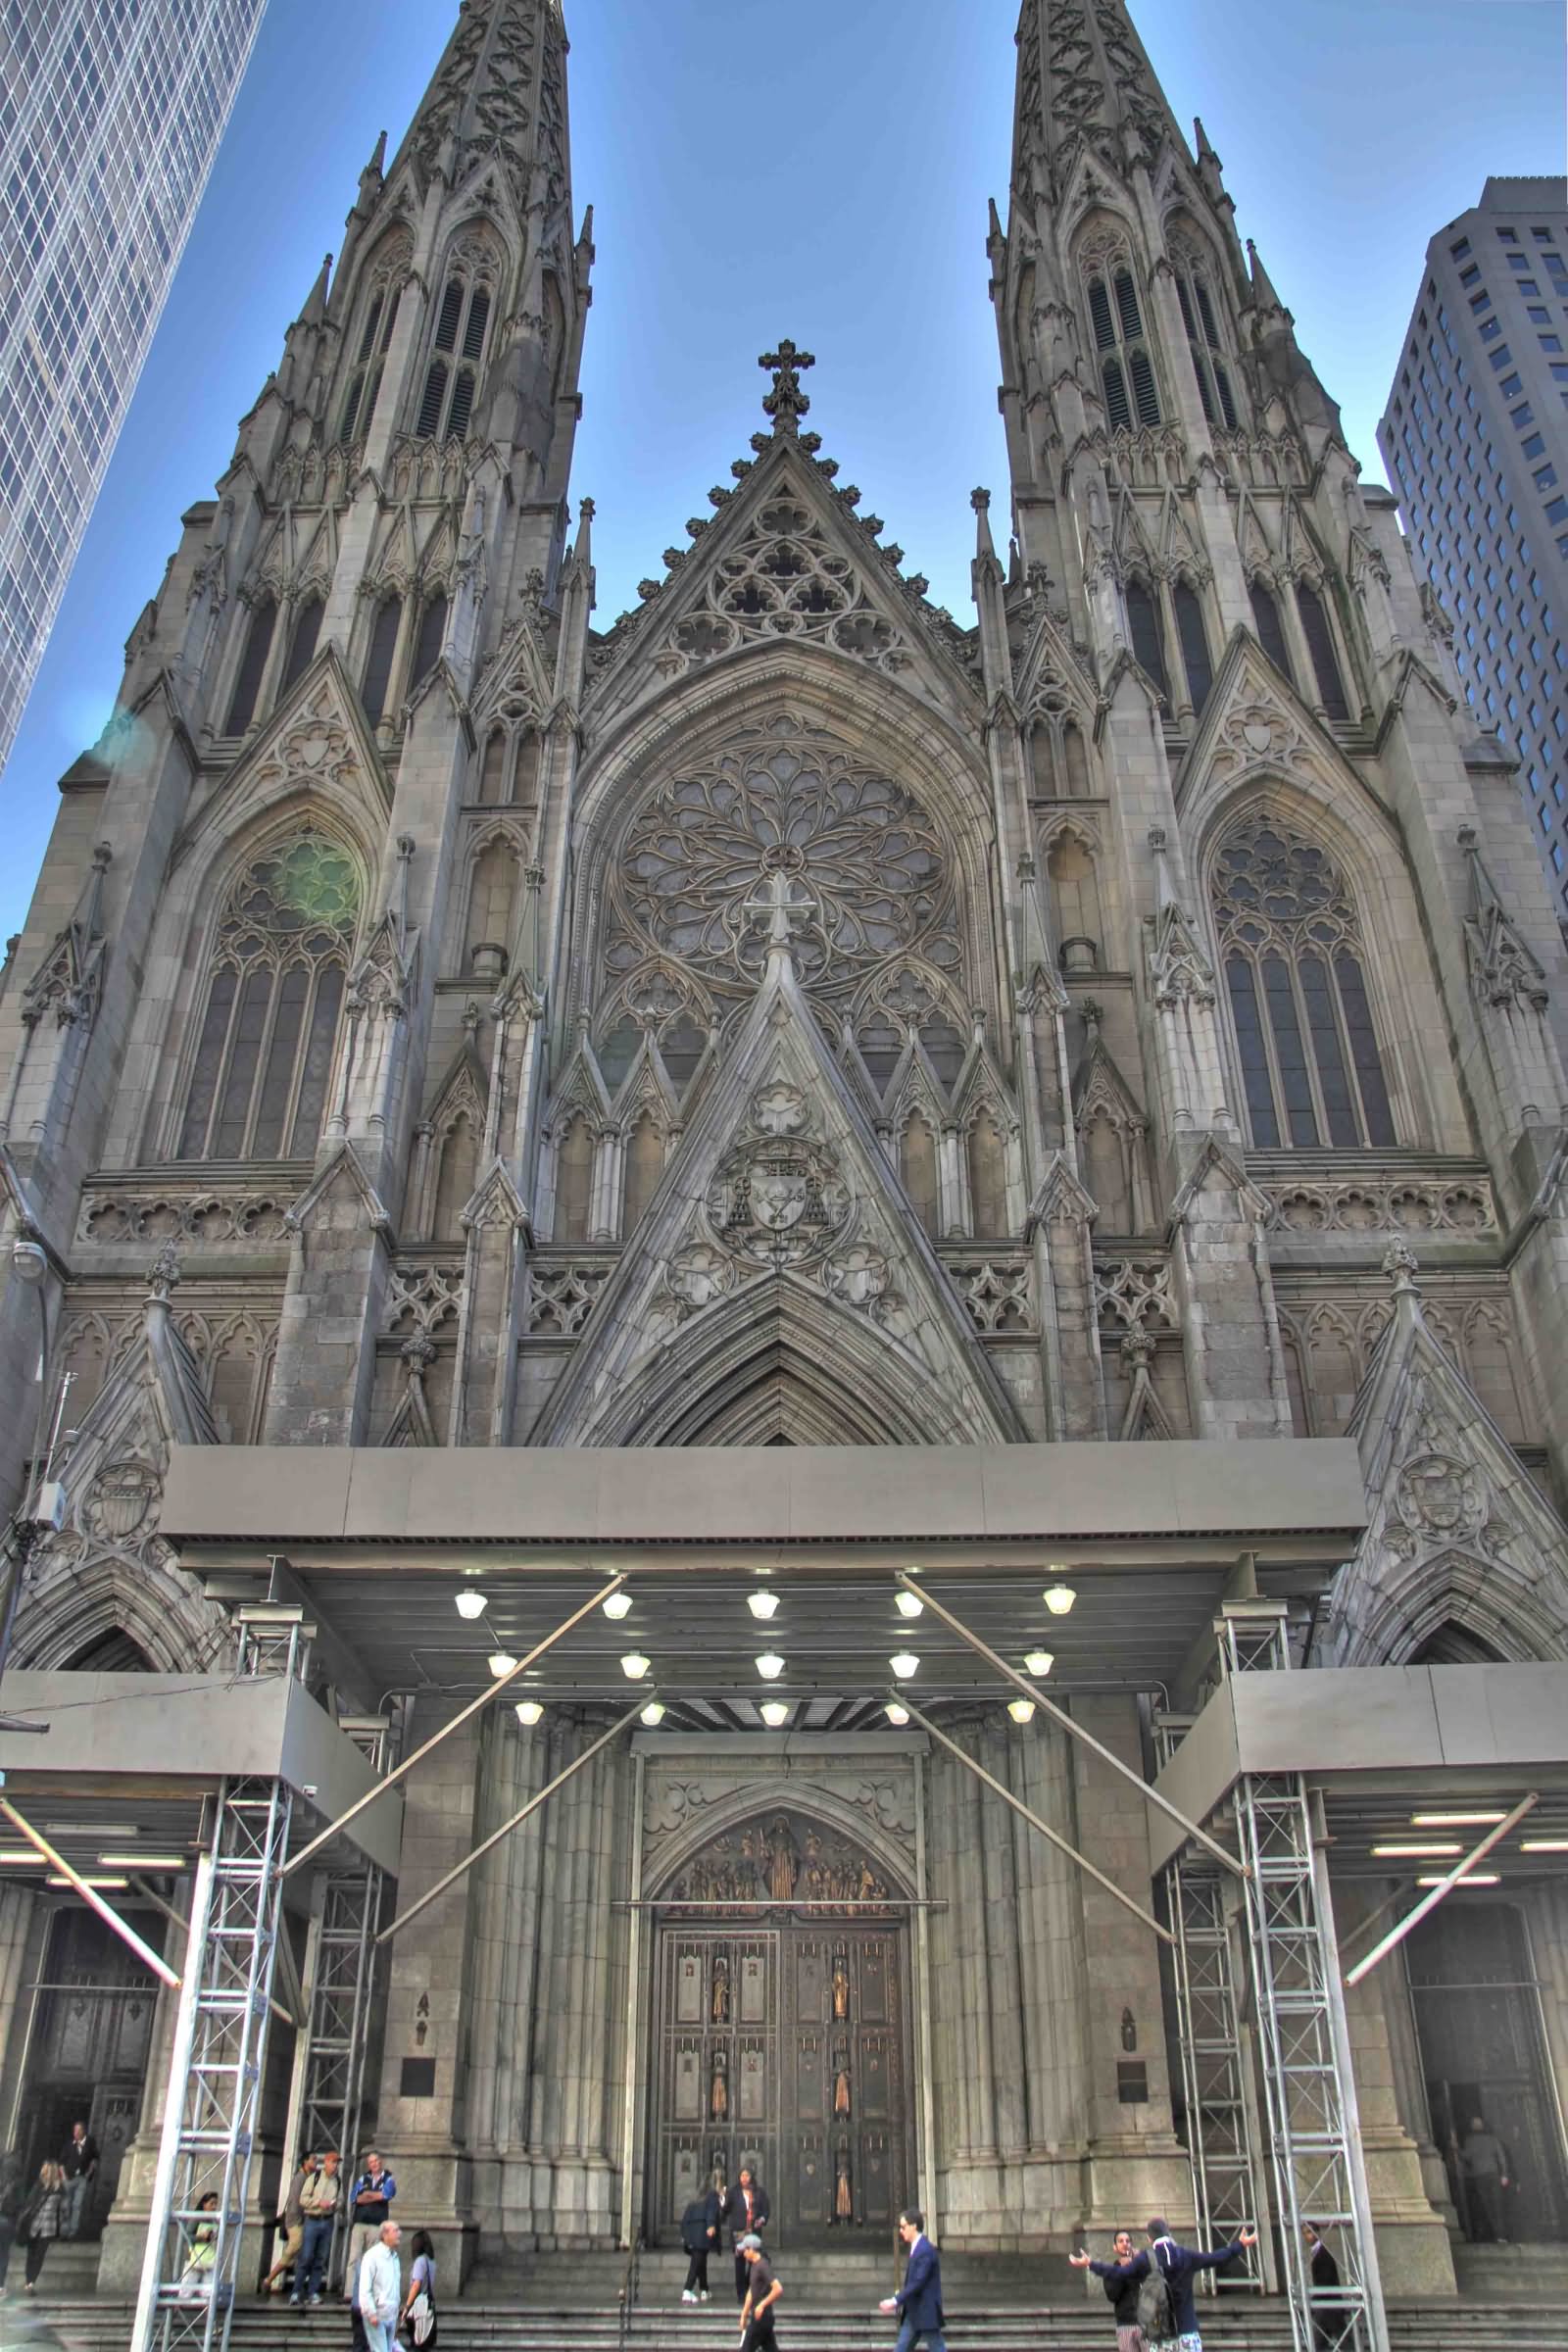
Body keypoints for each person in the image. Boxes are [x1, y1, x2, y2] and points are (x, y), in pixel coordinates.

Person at [1127, 2219, 1257, 2352]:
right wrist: (1240, 2245)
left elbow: (1121, 2275)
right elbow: (1214, 2258)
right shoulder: (1186, 2256)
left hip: (1161, 2334)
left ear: (1149, 2238)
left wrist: (1105, 2267)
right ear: (1169, 2234)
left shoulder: (1145, 2260)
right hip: (1187, 2331)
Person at [1069, 2227, 1146, 2352]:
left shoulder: (1141, 2266)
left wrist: (1137, 2264)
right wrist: (1122, 2271)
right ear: (1115, 2247)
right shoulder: (1111, 2271)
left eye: (1127, 2241)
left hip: (1145, 2323)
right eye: (1121, 2241)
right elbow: (1113, 2295)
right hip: (1125, 2323)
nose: (1125, 2244)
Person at [879, 2207, 945, 2352]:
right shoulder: (918, 2248)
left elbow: (918, 2282)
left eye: (903, 2227)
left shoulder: (925, 2250)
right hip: (914, 2311)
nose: (901, 2231)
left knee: (937, 2348)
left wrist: (895, 2300)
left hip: (925, 2311)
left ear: (914, 2226)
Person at [344, 2150, 398, 2302]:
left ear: (381, 2162)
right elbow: (354, 2197)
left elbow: (386, 2195)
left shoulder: (388, 2178)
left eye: (377, 2161)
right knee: (354, 2258)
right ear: (369, 2164)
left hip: (376, 2224)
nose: (375, 2164)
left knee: (373, 2260)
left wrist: (367, 2194)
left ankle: (370, 2293)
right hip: (360, 2222)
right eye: (372, 2162)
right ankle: (350, 2293)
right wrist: (375, 2196)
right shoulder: (363, 2178)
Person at [291, 2146, 342, 2308]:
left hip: (327, 2220)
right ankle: (296, 2291)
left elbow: (340, 2200)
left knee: (320, 2258)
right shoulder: (314, 2177)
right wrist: (318, 2202)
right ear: (326, 2163)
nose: (335, 2166)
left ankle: (313, 2291)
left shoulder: (337, 2181)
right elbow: (303, 2199)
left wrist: (335, 2205)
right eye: (333, 2162)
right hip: (312, 2220)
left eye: (337, 2163)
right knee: (306, 2257)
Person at [262, 2147, 316, 2295]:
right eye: (313, 2159)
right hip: (296, 2220)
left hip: (299, 2219)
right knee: (292, 2250)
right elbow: (296, 2200)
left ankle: (298, 2283)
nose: (315, 2162)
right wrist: (297, 2219)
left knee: (299, 2253)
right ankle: (269, 2279)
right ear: (305, 2162)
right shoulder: (301, 2178)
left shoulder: (306, 2177)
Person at [1459, 2114, 1512, 2243]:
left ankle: (1499, 2234)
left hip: (1481, 2175)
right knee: (1494, 2205)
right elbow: (1501, 2158)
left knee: (1490, 2205)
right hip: (1490, 2174)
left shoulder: (1470, 2141)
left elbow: (1466, 2156)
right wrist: (1504, 2174)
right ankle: (1500, 2234)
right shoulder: (1490, 2139)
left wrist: (1456, 2149)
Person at [19, 2160, 66, 2293]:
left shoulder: (40, 2186)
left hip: (36, 2225)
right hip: (47, 2228)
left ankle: (29, 2281)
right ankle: (31, 2282)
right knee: (38, 2256)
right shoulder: (59, 2188)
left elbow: (29, 2203)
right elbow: (63, 2209)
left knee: (32, 2255)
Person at [726, 2163, 770, 2304]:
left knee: (753, 2261)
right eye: (742, 2176)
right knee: (739, 2263)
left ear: (751, 2177)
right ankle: (741, 2294)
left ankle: (747, 2285)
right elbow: (726, 2209)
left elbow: (765, 2209)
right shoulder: (733, 2192)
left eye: (747, 2175)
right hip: (738, 2232)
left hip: (753, 2231)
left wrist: (762, 2219)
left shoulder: (759, 2192)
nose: (744, 2178)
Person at [358, 2217, 402, 2352]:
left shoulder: (394, 2257)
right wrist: (371, 2312)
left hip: (391, 2313)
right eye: (395, 2230)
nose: (399, 2233)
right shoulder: (372, 2256)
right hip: (377, 2312)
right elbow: (365, 2287)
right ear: (385, 2234)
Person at [681, 2168, 723, 2303]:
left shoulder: (696, 2197)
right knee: (696, 2262)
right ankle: (687, 2289)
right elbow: (711, 2211)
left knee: (701, 2261)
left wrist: (684, 2234)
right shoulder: (712, 2195)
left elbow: (686, 2217)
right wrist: (711, 2225)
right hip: (702, 2233)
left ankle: (704, 2289)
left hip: (692, 2233)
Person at [738, 2230, 781, 2351]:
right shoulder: (754, 2265)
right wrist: (744, 2314)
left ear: (752, 2249)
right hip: (761, 2317)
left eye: (745, 2250)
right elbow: (752, 2291)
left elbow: (778, 2288)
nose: (743, 2253)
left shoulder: (763, 2265)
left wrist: (761, 2305)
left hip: (762, 2318)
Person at [1301, 2222, 1341, 2352]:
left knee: (1344, 2341)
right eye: (1305, 2233)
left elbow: (1325, 2281)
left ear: (1316, 2233)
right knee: (1319, 2343)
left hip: (1329, 2306)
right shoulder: (1318, 2252)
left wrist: (1315, 2299)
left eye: (1309, 2232)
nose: (1307, 2236)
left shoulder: (1322, 2254)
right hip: (1326, 2307)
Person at [60, 2121, 99, 2238]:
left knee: (77, 2205)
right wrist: (63, 2176)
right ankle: (64, 2230)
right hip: (68, 2178)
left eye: (79, 2130)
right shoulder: (68, 2145)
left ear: (84, 2131)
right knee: (66, 2204)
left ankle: (73, 2231)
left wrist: (89, 2172)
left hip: (81, 2179)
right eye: (75, 2130)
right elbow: (61, 2162)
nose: (76, 2133)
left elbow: (95, 2159)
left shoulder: (90, 2144)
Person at [401, 2226, 437, 2347]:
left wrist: (407, 2307)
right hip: (428, 2302)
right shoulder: (431, 2261)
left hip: (419, 2304)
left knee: (416, 2339)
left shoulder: (420, 2261)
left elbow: (416, 2284)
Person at [179, 2190, 219, 2297]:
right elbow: (186, 2236)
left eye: (215, 2204)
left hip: (209, 2260)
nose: (214, 2207)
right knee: (185, 2292)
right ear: (204, 2204)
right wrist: (200, 2237)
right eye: (211, 2204)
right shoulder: (197, 2219)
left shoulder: (214, 2221)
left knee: (209, 2294)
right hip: (195, 2260)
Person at [0, 2153, 23, 2296]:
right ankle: (0, 2285)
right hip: (7, 2222)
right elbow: (21, 2205)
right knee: (3, 2254)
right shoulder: (18, 2184)